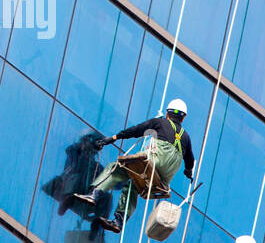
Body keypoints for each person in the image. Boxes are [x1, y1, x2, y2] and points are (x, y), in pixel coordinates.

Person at [76, 98, 194, 233]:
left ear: (167, 114)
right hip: (166, 176)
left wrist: (113, 138)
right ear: (183, 118)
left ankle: (94, 194)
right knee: (133, 185)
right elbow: (190, 160)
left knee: (114, 168)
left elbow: (136, 130)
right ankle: (119, 221)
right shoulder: (186, 137)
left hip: (155, 161)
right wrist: (188, 172)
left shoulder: (159, 122)